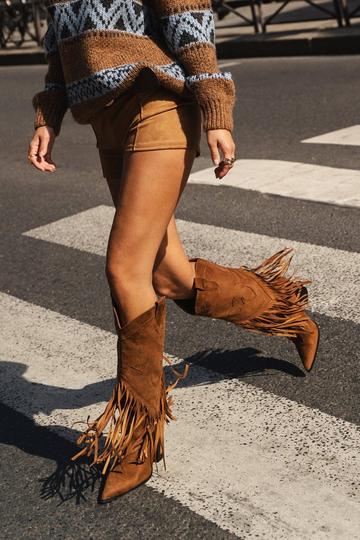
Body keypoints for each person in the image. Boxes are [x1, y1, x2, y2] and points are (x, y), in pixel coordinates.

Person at [27, 0, 319, 504]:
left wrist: (214, 110)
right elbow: (61, 47)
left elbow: (190, 20)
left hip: (157, 103)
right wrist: (47, 116)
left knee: (125, 268)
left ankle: (138, 439)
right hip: (105, 120)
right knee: (170, 276)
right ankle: (285, 311)